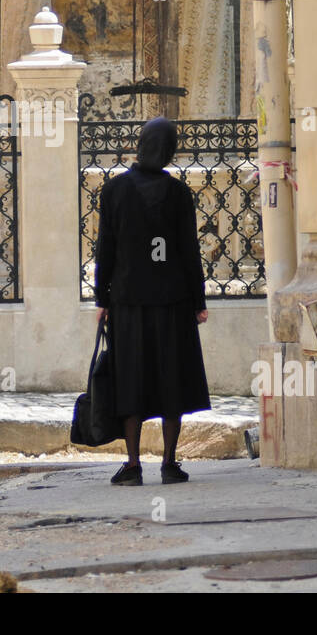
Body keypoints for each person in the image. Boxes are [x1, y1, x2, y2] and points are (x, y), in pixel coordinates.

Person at [94, 116, 212, 485]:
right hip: (173, 303)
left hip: (128, 304)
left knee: (131, 378)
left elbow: (105, 249)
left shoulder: (114, 191)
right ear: (169, 149)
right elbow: (189, 251)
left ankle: (132, 466)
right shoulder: (178, 194)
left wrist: (102, 297)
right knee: (171, 378)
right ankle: (169, 464)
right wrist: (198, 299)